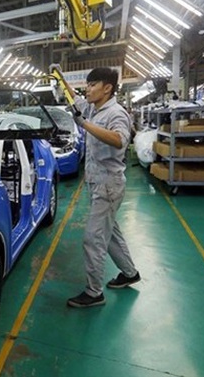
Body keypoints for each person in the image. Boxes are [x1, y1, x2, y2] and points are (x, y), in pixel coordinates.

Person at [63, 67, 140, 308]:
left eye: (92, 84)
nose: (88, 89)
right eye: (87, 85)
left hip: (108, 184)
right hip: (98, 183)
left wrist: (84, 125)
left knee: (93, 239)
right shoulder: (93, 108)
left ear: (107, 88)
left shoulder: (116, 113)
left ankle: (94, 293)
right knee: (110, 234)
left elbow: (118, 140)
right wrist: (59, 78)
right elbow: (75, 100)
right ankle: (129, 273)